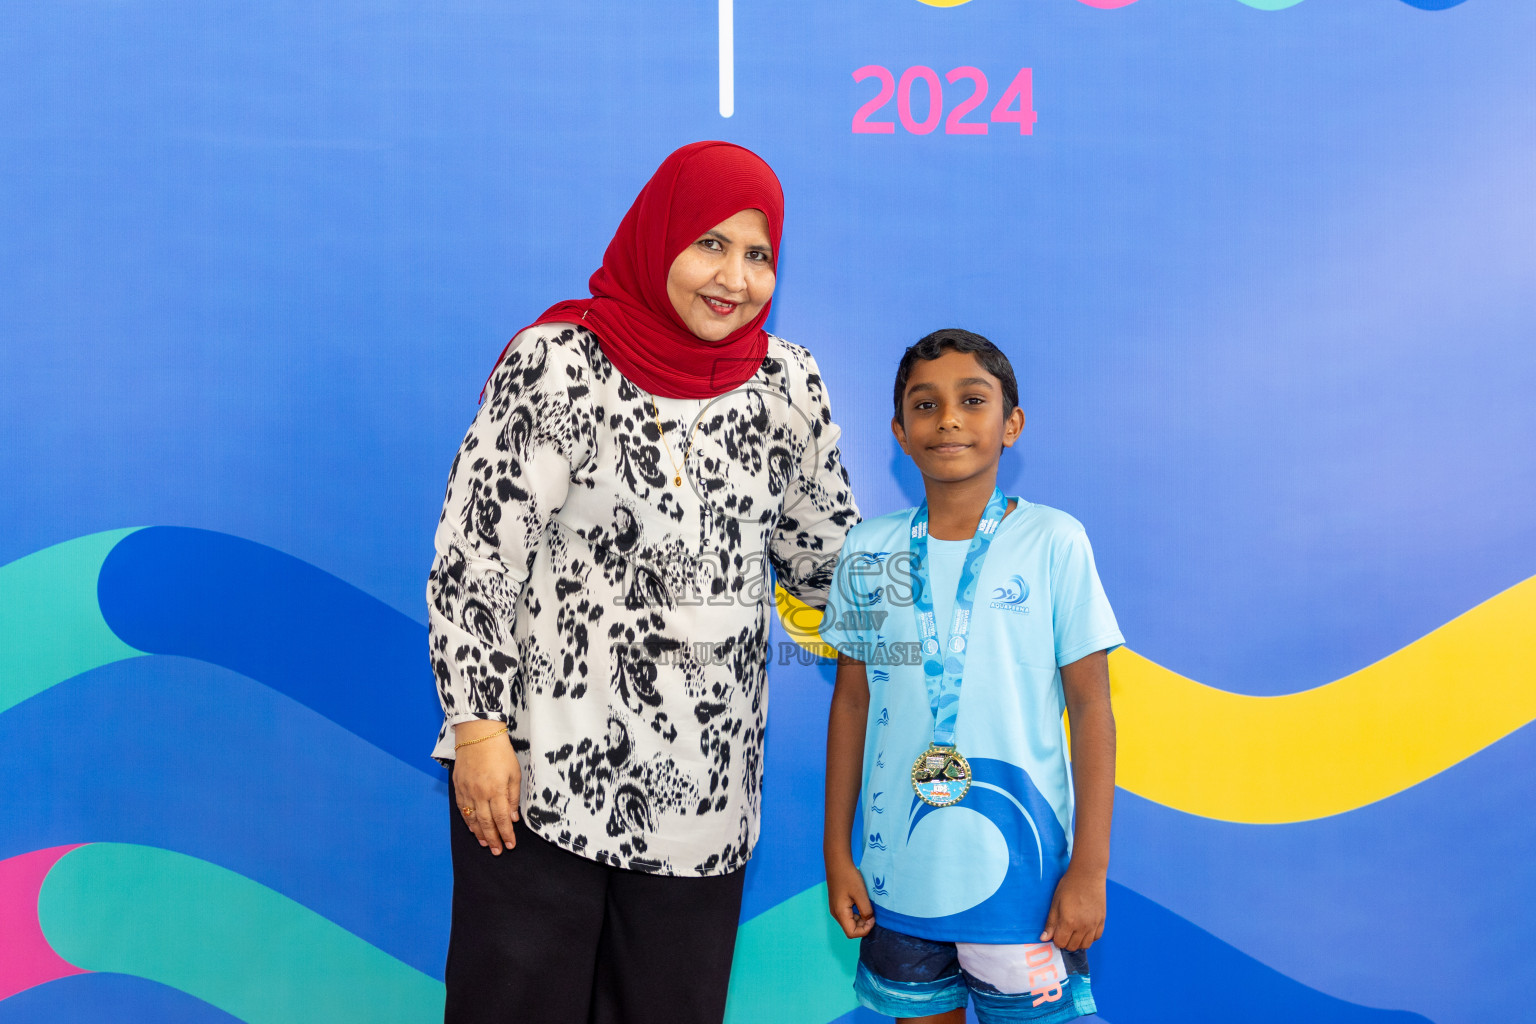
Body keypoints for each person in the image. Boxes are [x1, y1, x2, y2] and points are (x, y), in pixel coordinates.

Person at [427, 141, 859, 1024]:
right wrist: (478, 731)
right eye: (709, 243)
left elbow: (828, 567)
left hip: (705, 803)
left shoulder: (787, 384)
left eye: (759, 254)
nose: (733, 277)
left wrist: (959, 593)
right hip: (540, 782)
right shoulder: (559, 366)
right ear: (657, 237)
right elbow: (477, 557)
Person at [820, 328, 1122, 1024]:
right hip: (900, 877)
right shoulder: (869, 551)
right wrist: (838, 854)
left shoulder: (1055, 541)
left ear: (1011, 424)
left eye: (972, 400)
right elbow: (851, 705)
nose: (948, 418)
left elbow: (1092, 709)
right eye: (924, 406)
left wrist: (1089, 871)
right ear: (899, 432)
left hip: (1029, 883)